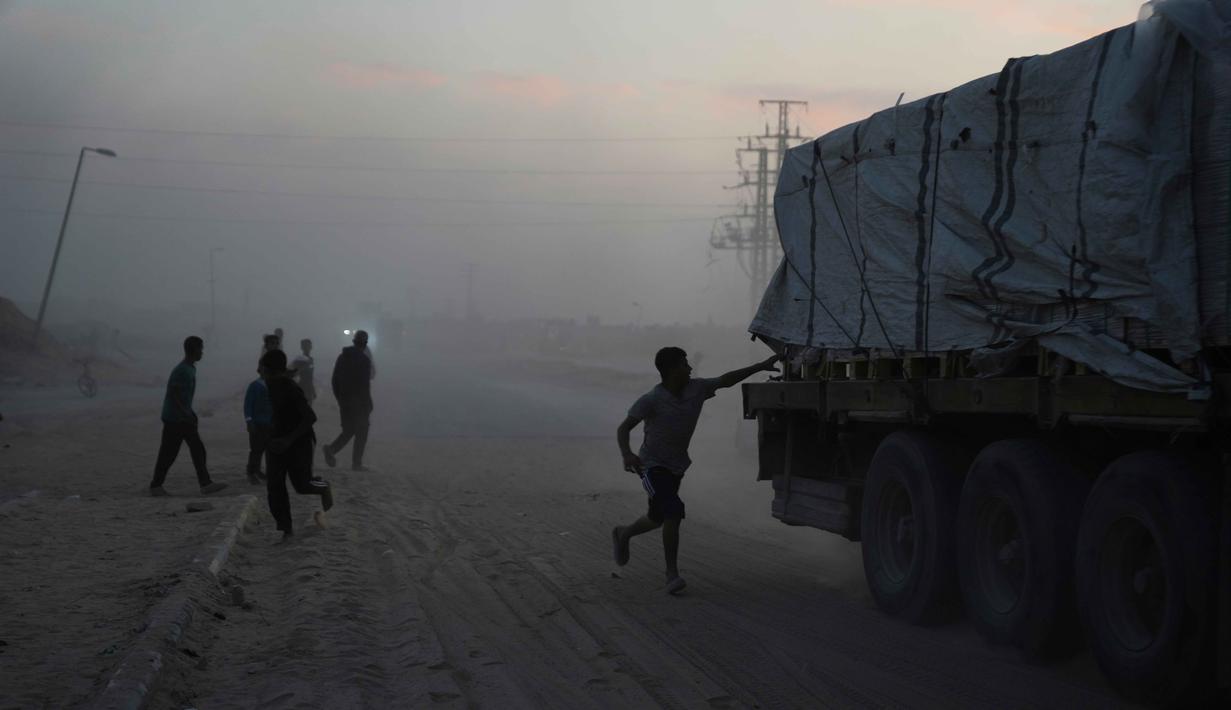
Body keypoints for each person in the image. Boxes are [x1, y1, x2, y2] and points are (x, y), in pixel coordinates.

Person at [612, 347, 780, 594]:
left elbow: (726, 380)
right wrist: (627, 454)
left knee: (658, 517)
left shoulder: (697, 389)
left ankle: (623, 533)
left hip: (677, 465)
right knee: (673, 511)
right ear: (671, 371)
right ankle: (672, 575)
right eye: (684, 364)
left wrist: (760, 366)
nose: (690, 368)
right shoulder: (652, 399)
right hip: (650, 466)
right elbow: (623, 428)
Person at [260, 349, 332, 540]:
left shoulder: (289, 388)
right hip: (276, 443)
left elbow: (310, 417)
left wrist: (288, 440)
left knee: (302, 485)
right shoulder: (268, 387)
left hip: (299, 443)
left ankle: (323, 487)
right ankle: (286, 529)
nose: (262, 375)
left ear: (272, 371)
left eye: (264, 371)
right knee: (275, 487)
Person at [149, 336, 228, 497]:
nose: (202, 353)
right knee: (173, 452)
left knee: (191, 450)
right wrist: (185, 413)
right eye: (201, 349)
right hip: (176, 419)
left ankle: (203, 483)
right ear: (194, 350)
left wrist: (189, 412)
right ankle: (158, 485)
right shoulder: (182, 370)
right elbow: (174, 393)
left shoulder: (190, 368)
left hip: (181, 417)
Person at [322, 330, 372, 471]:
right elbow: (364, 385)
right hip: (359, 402)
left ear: (354, 341)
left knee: (349, 429)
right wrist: (368, 403)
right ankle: (356, 463)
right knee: (362, 430)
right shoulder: (364, 360)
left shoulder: (342, 357)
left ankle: (331, 449)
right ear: (365, 344)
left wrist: (340, 398)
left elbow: (334, 380)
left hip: (344, 400)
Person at [243, 362, 273, 485]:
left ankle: (258, 471)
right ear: (259, 370)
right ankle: (251, 472)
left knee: (268, 449)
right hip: (258, 423)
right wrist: (249, 420)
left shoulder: (272, 385)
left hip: (270, 423)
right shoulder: (254, 386)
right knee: (256, 449)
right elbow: (248, 405)